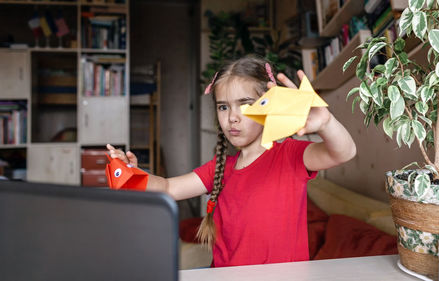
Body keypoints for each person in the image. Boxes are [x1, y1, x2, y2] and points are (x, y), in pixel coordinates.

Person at [107, 55, 356, 267]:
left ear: (268, 105)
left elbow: (343, 153)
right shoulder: (219, 168)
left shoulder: (290, 155)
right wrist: (132, 173)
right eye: (223, 107)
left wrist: (326, 123)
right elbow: (168, 188)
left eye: (245, 105)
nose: (232, 118)